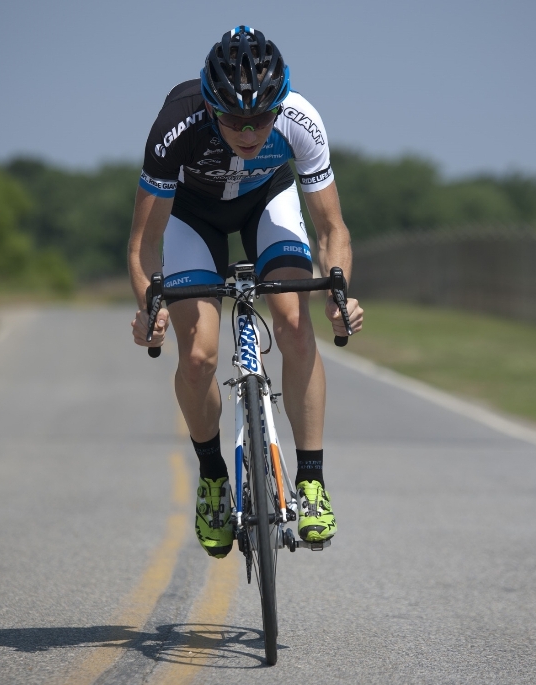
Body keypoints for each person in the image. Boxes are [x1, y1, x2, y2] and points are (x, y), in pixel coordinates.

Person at [129, 26, 363, 558]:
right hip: (194, 212)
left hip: (266, 201)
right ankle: (213, 478)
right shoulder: (176, 124)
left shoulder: (302, 120)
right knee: (198, 356)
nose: (250, 131)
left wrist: (339, 294)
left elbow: (331, 231)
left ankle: (310, 481)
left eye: (262, 118)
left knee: (296, 326)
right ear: (211, 108)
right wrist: (148, 306)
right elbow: (143, 245)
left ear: (280, 105)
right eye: (234, 119)